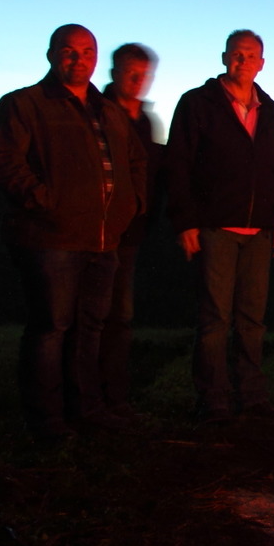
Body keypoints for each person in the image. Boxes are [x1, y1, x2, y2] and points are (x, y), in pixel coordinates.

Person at [0, 24, 148, 439]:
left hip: (104, 238)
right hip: (49, 239)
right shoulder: (25, 105)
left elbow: (136, 161)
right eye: (69, 51)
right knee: (51, 328)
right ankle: (45, 419)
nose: (79, 60)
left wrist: (130, 206)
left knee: (88, 327)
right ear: (52, 54)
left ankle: (85, 409)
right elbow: (2, 160)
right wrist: (45, 201)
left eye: (87, 52)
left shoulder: (107, 111)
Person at [166, 30, 274, 424]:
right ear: (224, 58)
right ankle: (214, 399)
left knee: (252, 318)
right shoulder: (197, 104)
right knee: (215, 318)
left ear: (261, 63)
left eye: (250, 55)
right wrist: (186, 220)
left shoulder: (271, 112)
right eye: (237, 54)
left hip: (259, 231)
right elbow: (179, 163)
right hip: (216, 226)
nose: (243, 61)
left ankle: (252, 395)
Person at [100, 42, 162, 424]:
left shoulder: (145, 122)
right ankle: (85, 397)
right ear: (114, 73)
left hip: (131, 233)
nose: (138, 81)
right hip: (93, 230)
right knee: (87, 316)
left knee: (120, 316)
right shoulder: (95, 112)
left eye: (144, 74)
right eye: (130, 72)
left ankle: (115, 397)